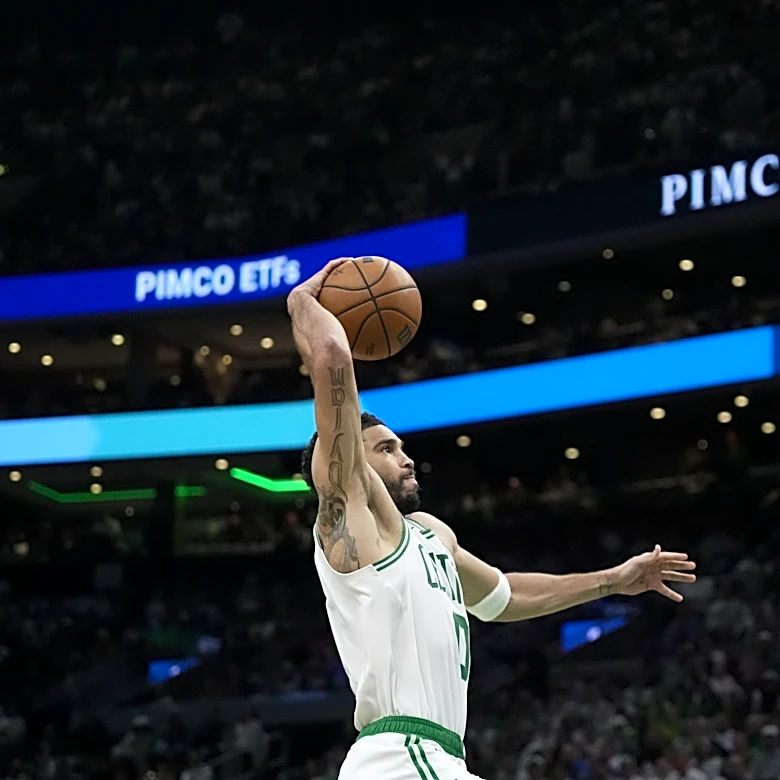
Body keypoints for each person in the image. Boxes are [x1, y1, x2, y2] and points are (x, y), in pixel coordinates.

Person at [287, 259, 698, 780]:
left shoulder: (432, 535)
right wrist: (301, 302)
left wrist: (613, 581)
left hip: (436, 758)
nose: (406, 457)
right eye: (387, 449)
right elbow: (331, 357)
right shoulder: (351, 522)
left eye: (403, 446)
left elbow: (502, 597)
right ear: (349, 464)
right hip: (400, 758)